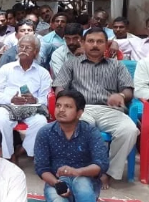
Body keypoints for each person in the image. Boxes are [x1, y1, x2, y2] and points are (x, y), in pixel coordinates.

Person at [52, 27, 138, 189]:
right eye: (90, 41)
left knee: (129, 130)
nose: (95, 45)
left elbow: (128, 89)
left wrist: (120, 95)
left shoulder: (117, 66)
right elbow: (59, 88)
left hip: (110, 110)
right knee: (80, 127)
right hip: (81, 109)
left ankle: (107, 172)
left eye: (100, 42)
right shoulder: (71, 64)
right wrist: (69, 101)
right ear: (83, 43)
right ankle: (83, 169)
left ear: (107, 45)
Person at [33, 90, 108, 202]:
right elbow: (41, 168)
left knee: (82, 185)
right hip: (57, 180)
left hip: (85, 178)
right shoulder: (45, 132)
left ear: (79, 113)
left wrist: (77, 172)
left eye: (68, 106)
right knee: (59, 201)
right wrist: (57, 183)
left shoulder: (90, 132)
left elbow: (101, 165)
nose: (61, 110)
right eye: (58, 105)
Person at [0, 35, 51, 162]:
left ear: (36, 51)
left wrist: (34, 100)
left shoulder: (43, 73)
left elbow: (45, 98)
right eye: (21, 47)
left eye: (28, 47)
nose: (23, 50)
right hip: (8, 106)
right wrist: (10, 100)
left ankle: (22, 150)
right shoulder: (7, 68)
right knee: (1, 119)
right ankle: (8, 156)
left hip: (32, 108)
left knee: (41, 123)